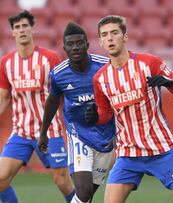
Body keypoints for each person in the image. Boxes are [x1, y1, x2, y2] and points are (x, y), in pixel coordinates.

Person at [85, 15, 173, 203]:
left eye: (114, 33)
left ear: (125, 37)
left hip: (160, 148)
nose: (110, 38)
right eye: (105, 35)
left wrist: (168, 83)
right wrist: (95, 117)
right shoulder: (100, 79)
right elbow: (105, 114)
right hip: (128, 153)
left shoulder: (149, 63)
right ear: (101, 42)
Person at [0, 10, 74, 203]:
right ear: (12, 32)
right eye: (17, 27)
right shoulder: (7, 62)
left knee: (62, 181)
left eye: (25, 26)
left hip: (50, 132)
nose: (22, 30)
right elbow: (4, 96)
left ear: (33, 29)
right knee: (0, 179)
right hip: (21, 132)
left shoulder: (50, 59)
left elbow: (65, 92)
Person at [38, 22, 116, 203]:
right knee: (83, 192)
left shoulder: (105, 67)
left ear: (87, 45)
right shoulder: (58, 74)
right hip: (78, 134)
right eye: (70, 44)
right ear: (64, 48)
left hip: (106, 136)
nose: (75, 48)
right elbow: (53, 100)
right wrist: (43, 132)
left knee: (87, 196)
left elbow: (118, 96)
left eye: (79, 43)